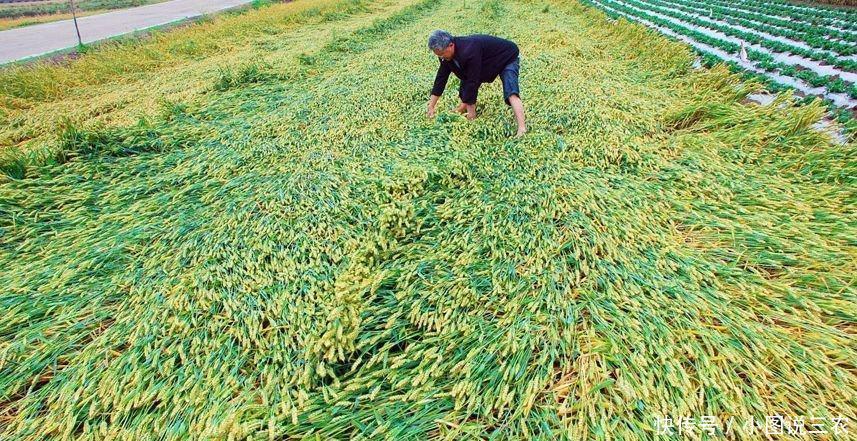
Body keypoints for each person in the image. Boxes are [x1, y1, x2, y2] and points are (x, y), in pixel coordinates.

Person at [426, 30, 527, 137]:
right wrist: (431, 106)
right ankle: (463, 106)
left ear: (451, 45)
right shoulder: (446, 55)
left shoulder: (469, 50)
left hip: (508, 57)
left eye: (442, 54)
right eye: (439, 55)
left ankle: (522, 128)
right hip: (488, 60)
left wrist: (472, 115)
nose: (441, 58)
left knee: (511, 92)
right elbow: (441, 78)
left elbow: (472, 81)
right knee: (465, 74)